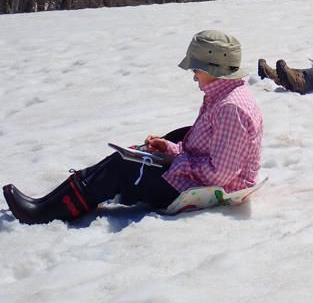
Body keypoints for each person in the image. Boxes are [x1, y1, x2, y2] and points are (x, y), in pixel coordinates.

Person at [3, 30, 263, 225]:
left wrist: (175, 163)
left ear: (213, 68)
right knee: (129, 156)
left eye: (196, 68)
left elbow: (220, 175)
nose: (193, 74)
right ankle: (49, 202)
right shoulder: (220, 97)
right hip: (201, 177)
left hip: (210, 190)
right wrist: (169, 150)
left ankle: (43, 214)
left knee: (121, 168)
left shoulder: (231, 108)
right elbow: (203, 147)